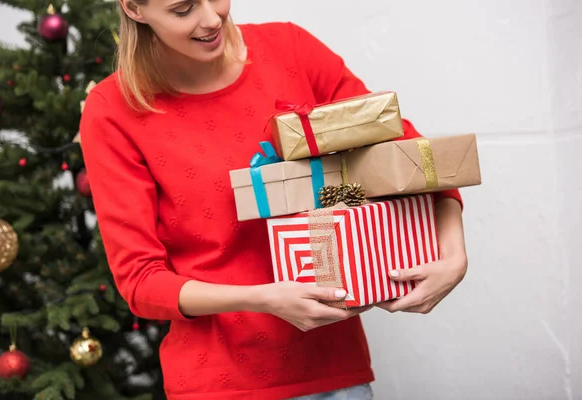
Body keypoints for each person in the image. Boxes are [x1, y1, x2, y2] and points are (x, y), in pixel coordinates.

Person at [79, 0, 469, 398]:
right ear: (134, 8)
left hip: (336, 373)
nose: (213, 18)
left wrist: (453, 252)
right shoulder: (113, 110)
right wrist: (264, 299)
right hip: (220, 383)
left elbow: (406, 149)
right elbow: (141, 283)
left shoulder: (290, 49)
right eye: (183, 9)